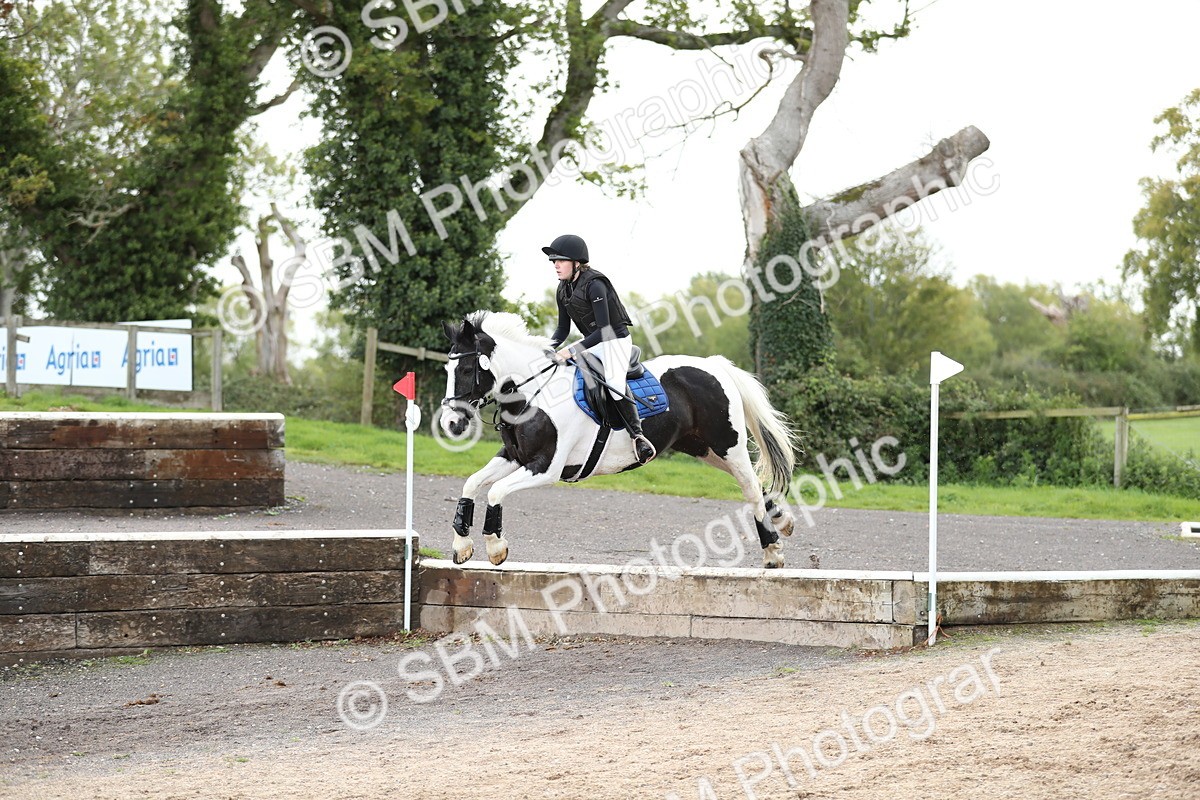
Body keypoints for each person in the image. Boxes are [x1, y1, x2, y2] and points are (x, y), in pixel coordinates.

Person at [544, 234, 656, 465]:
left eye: (560, 260)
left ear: (576, 262)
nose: (555, 264)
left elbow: (605, 330)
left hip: (615, 340)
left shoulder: (595, 284)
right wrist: (546, 347)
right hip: (594, 343)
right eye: (553, 260)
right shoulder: (562, 289)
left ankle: (638, 436)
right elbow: (562, 329)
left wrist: (570, 351)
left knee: (614, 385)